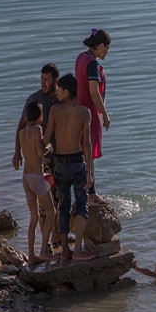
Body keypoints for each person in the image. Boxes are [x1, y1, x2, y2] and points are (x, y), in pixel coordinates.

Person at [43, 73, 95, 261]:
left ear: (66, 91)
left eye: (58, 90)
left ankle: (65, 250)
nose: (56, 93)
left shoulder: (55, 110)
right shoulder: (84, 112)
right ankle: (78, 250)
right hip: (77, 161)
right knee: (82, 204)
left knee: (63, 206)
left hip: (60, 162)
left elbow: (47, 138)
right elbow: (87, 144)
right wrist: (89, 172)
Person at [13, 63, 61, 242]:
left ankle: (57, 237)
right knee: (45, 204)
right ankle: (47, 241)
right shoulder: (35, 100)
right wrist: (17, 153)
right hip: (44, 161)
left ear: (56, 80)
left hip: (61, 156)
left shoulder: (62, 97)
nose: (43, 83)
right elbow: (21, 126)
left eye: (46, 80)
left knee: (60, 198)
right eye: (41, 79)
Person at [75, 28, 112, 206]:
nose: (107, 52)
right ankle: (91, 194)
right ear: (100, 46)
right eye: (106, 48)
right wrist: (105, 114)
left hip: (78, 112)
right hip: (90, 113)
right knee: (89, 154)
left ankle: (85, 190)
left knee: (83, 153)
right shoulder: (92, 64)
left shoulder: (81, 58)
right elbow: (94, 92)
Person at [18, 102, 56, 265]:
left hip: (26, 178)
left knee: (34, 217)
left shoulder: (22, 133)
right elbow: (40, 152)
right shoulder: (37, 130)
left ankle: (32, 255)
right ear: (40, 117)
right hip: (36, 178)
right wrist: (49, 146)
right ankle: (43, 251)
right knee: (51, 212)